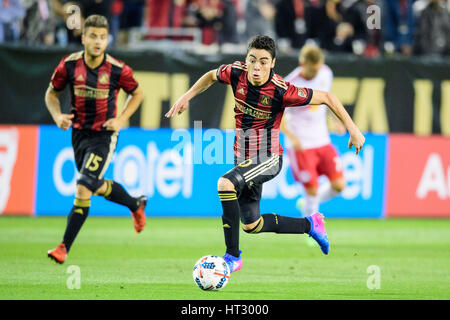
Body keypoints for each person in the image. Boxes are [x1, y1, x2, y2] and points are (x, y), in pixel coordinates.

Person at [165, 35, 365, 272]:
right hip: (243, 156)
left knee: (225, 184)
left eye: (263, 61)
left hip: (268, 157)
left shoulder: (283, 90)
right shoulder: (235, 73)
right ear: (246, 60)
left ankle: (232, 257)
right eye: (252, 60)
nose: (256, 67)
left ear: (272, 63)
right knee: (251, 224)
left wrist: (353, 130)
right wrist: (186, 96)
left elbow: (327, 98)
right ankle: (310, 224)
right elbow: (211, 75)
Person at [45, 15, 147, 264]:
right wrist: (57, 115)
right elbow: (51, 94)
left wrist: (122, 119)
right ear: (83, 38)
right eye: (93, 36)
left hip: (104, 134)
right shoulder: (69, 65)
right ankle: (135, 204)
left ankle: (63, 248)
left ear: (107, 39)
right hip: (79, 134)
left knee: (83, 185)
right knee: (93, 185)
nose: (98, 41)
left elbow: (138, 93)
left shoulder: (117, 69)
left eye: (102, 37)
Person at [280, 45, 346, 220]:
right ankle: (312, 228)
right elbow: (275, 118)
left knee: (339, 185)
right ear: (302, 63)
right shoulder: (289, 85)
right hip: (301, 144)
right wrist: (292, 138)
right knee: (312, 189)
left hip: (322, 140)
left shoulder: (326, 73)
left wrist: (336, 119)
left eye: (318, 68)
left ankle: (308, 205)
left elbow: (327, 100)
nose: (315, 73)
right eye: (312, 69)